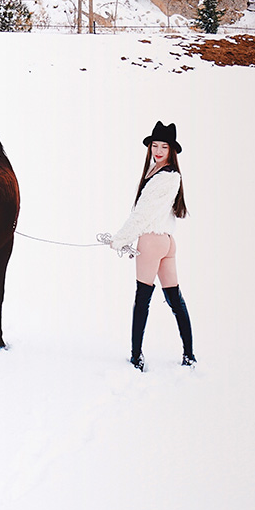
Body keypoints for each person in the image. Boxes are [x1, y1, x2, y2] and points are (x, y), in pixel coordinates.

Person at [98, 121, 195, 371]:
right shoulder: (163, 174)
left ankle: (136, 356)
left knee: (143, 299)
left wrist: (119, 239)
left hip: (152, 242)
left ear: (172, 150)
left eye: (164, 146)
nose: (159, 150)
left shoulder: (164, 177)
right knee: (174, 299)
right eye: (155, 145)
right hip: (167, 243)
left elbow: (141, 215)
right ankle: (189, 354)